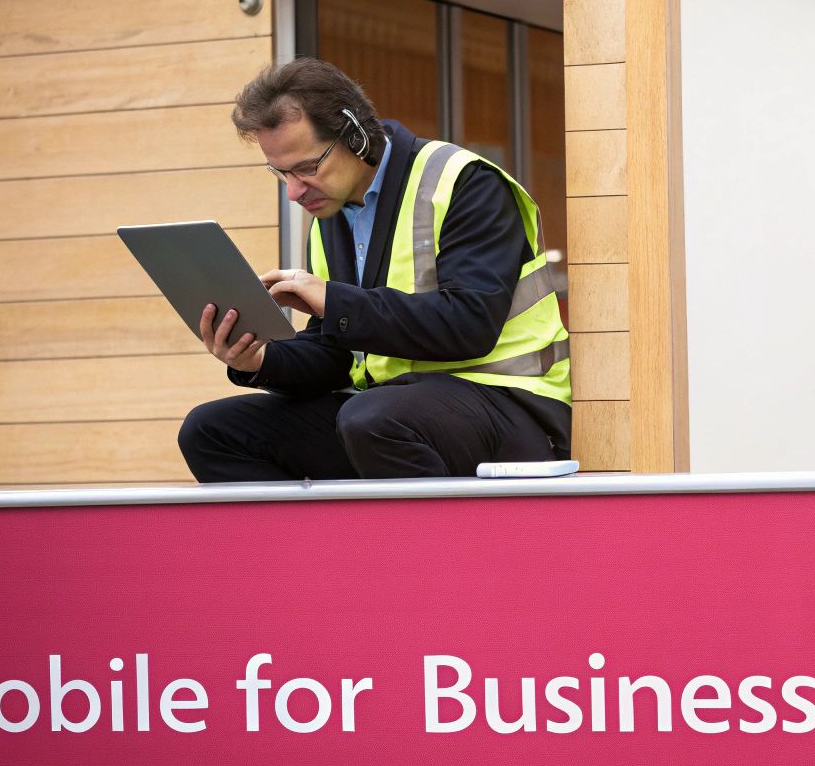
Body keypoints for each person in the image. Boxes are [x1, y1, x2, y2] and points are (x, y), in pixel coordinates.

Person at [178, 59, 570, 481]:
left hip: (512, 408)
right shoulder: (329, 218)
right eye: (281, 173)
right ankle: (313, 549)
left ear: (357, 136)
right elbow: (337, 356)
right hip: (394, 414)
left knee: (371, 418)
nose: (293, 191)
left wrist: (335, 299)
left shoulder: (465, 183)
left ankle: (430, 548)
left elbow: (470, 323)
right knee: (211, 431)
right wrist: (260, 359)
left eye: (307, 168)